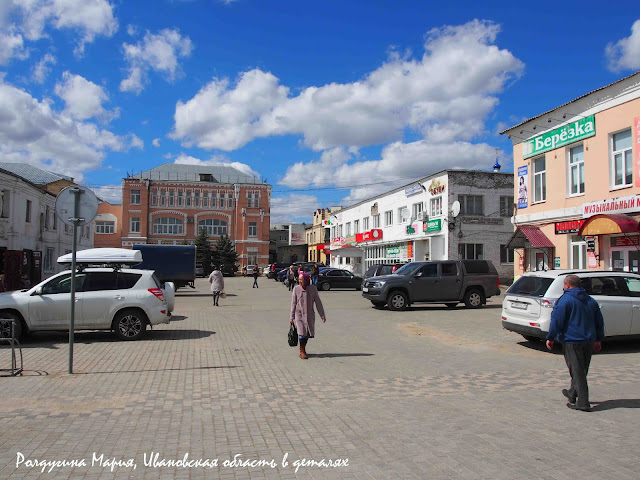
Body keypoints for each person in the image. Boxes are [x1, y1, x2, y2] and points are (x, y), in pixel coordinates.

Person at [546, 274, 604, 412]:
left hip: (572, 340)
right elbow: (599, 321)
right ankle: (572, 393)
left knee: (577, 372)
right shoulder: (590, 300)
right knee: (581, 369)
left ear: (566, 285)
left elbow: (557, 320)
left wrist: (551, 337)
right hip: (588, 340)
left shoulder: (565, 300)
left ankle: (583, 402)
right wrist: (598, 339)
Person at [290, 273, 326, 359]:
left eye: (301, 279)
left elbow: (318, 302)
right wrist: (291, 317)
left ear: (306, 280)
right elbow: (293, 303)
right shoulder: (296, 289)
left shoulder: (313, 289)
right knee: (301, 333)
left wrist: (322, 315)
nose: (299, 281)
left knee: (307, 334)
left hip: (309, 314)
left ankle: (303, 348)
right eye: (299, 279)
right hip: (299, 314)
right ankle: (302, 351)